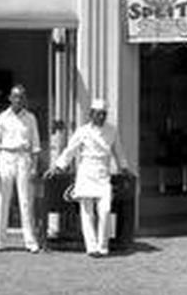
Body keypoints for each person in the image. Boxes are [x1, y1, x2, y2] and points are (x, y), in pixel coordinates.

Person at [44, 98, 129, 257]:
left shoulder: (112, 130)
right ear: (91, 114)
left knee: (104, 210)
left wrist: (124, 167)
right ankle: (91, 247)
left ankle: (103, 246)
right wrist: (57, 167)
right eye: (98, 114)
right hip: (86, 172)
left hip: (103, 173)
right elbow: (70, 150)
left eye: (104, 114)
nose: (102, 117)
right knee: (87, 212)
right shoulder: (82, 131)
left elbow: (119, 151)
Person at [0, 85, 42, 253]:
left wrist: (34, 167)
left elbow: (36, 145)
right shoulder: (2, 117)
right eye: (15, 97)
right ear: (10, 98)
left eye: (21, 97)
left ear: (24, 99)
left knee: (26, 201)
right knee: (3, 199)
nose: (18, 100)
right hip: (6, 157)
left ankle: (30, 241)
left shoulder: (31, 118)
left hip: (23, 158)